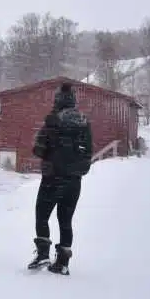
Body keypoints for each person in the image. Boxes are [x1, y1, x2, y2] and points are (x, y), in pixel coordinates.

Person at [27, 82, 93, 274]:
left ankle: (43, 255)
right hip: (74, 181)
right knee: (65, 221)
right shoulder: (84, 123)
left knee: (42, 215)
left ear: (57, 101)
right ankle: (62, 263)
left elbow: (38, 149)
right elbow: (88, 151)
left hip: (52, 178)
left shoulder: (52, 120)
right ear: (73, 102)